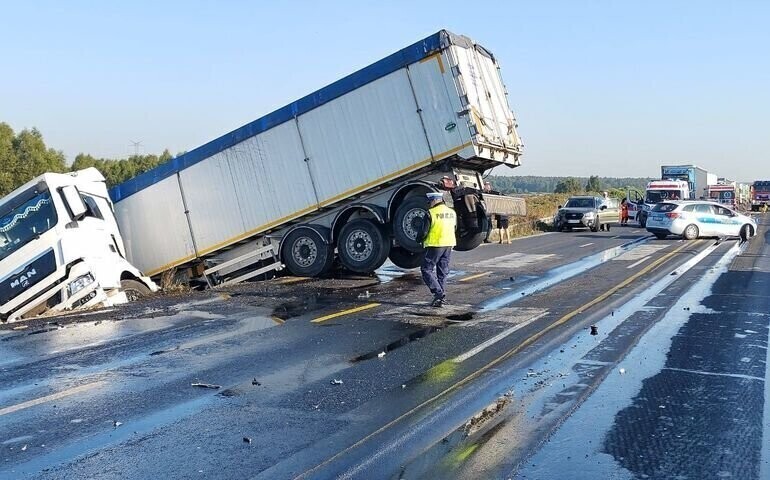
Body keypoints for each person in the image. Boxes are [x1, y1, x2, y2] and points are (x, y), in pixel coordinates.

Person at [420, 192, 456, 307]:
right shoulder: (452, 212)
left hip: (435, 244)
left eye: (430, 201)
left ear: (435, 200)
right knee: (442, 271)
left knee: (426, 269)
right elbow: (455, 228)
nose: (429, 204)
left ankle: (438, 293)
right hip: (449, 244)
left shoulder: (431, 213)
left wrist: (418, 240)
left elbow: (424, 232)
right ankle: (441, 297)